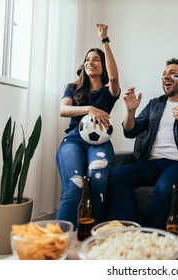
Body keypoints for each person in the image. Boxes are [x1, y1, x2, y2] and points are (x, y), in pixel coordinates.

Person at [108, 58, 178, 229]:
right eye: (164, 74)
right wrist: (130, 111)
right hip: (150, 162)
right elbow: (130, 131)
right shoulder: (155, 104)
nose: (166, 77)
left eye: (173, 73)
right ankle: (130, 231)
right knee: (117, 176)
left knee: (164, 190)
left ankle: (150, 236)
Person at [56, 23, 121, 228]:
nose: (90, 62)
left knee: (97, 178)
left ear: (102, 65)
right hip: (74, 139)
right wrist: (89, 109)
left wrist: (105, 40)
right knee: (74, 185)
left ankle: (95, 235)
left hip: (100, 142)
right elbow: (63, 110)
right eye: (87, 60)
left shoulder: (109, 91)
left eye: (95, 59)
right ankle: (60, 242)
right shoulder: (72, 88)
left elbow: (113, 77)